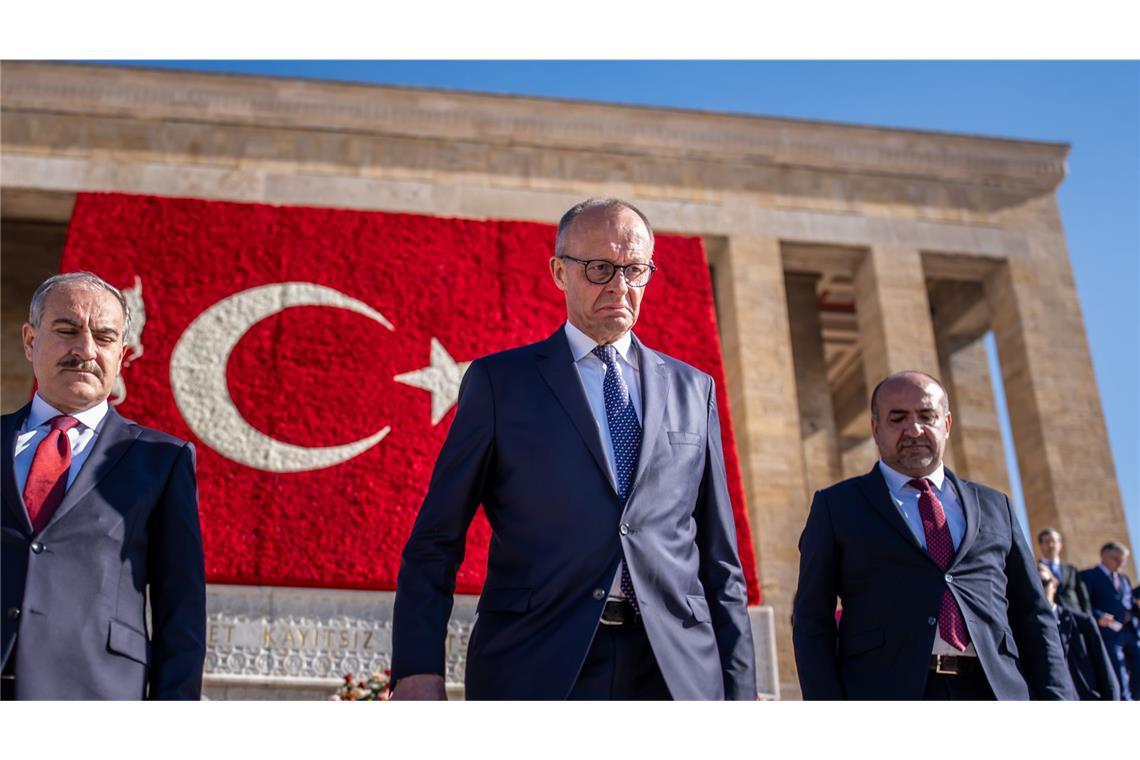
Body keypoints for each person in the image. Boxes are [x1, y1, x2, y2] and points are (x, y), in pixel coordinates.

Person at [390, 198, 756, 700]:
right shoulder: (501, 383)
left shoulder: (695, 389)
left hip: (676, 670)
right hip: (536, 661)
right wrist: (416, 667)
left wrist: (741, 687)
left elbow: (719, 558)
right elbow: (437, 539)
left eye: (635, 270)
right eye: (600, 268)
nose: (620, 286)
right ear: (560, 272)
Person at [792, 370, 1074, 700]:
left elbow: (1033, 614)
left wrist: (1058, 700)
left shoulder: (995, 505)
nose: (914, 429)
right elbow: (812, 621)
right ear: (876, 428)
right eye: (898, 418)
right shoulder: (837, 506)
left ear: (947, 423)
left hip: (994, 691)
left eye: (927, 416)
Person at [1, 272, 205, 700]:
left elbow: (180, 611)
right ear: (30, 340)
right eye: (67, 330)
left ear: (121, 354)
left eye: (105, 337)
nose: (86, 350)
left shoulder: (162, 461)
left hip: (95, 695)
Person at [1039, 565, 1119, 700]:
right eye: (1034, 585)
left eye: (1043, 583)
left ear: (1055, 584)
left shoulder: (1082, 623)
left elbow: (1105, 670)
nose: (1039, 589)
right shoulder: (1024, 629)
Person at [1081, 542, 1140, 700]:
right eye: (1116, 559)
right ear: (1103, 556)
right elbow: (1084, 604)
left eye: (1124, 560)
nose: (1120, 563)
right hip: (1108, 634)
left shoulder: (1124, 578)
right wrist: (1098, 616)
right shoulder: (1088, 576)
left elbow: (1129, 603)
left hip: (1130, 632)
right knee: (1118, 673)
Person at [1037, 528, 1093, 615]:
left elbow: (1082, 596)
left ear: (1060, 544)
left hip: (1075, 615)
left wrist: (1088, 616)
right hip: (1051, 615)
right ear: (1040, 545)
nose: (1051, 545)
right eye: (1047, 542)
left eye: (1053, 541)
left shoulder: (1071, 569)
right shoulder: (1035, 569)